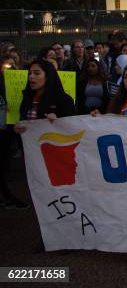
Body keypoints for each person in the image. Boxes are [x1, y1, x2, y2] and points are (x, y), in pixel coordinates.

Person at [14, 59, 76, 134]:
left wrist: (58, 121)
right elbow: (22, 120)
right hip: (30, 144)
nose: (31, 76)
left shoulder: (64, 100)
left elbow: (71, 128)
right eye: (29, 73)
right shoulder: (27, 97)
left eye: (36, 73)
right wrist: (17, 128)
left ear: (47, 77)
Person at [0, 56, 29, 209]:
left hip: (12, 125)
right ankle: (7, 196)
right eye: (6, 65)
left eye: (12, 65)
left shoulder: (19, 82)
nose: (10, 68)